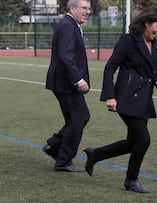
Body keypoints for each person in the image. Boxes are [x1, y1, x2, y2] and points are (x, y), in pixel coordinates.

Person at [83, 8, 157, 193]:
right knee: (144, 140)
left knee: (133, 142)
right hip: (126, 98)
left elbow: (154, 71)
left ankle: (95, 154)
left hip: (145, 99)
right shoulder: (128, 41)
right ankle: (132, 179)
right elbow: (110, 68)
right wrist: (110, 96)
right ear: (147, 23)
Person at [42, 0, 91, 172]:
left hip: (64, 82)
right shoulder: (67, 26)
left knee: (77, 118)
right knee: (79, 118)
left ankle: (54, 146)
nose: (88, 12)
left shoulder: (70, 25)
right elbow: (65, 55)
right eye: (84, 8)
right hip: (66, 83)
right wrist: (78, 79)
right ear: (72, 8)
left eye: (89, 8)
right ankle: (63, 160)